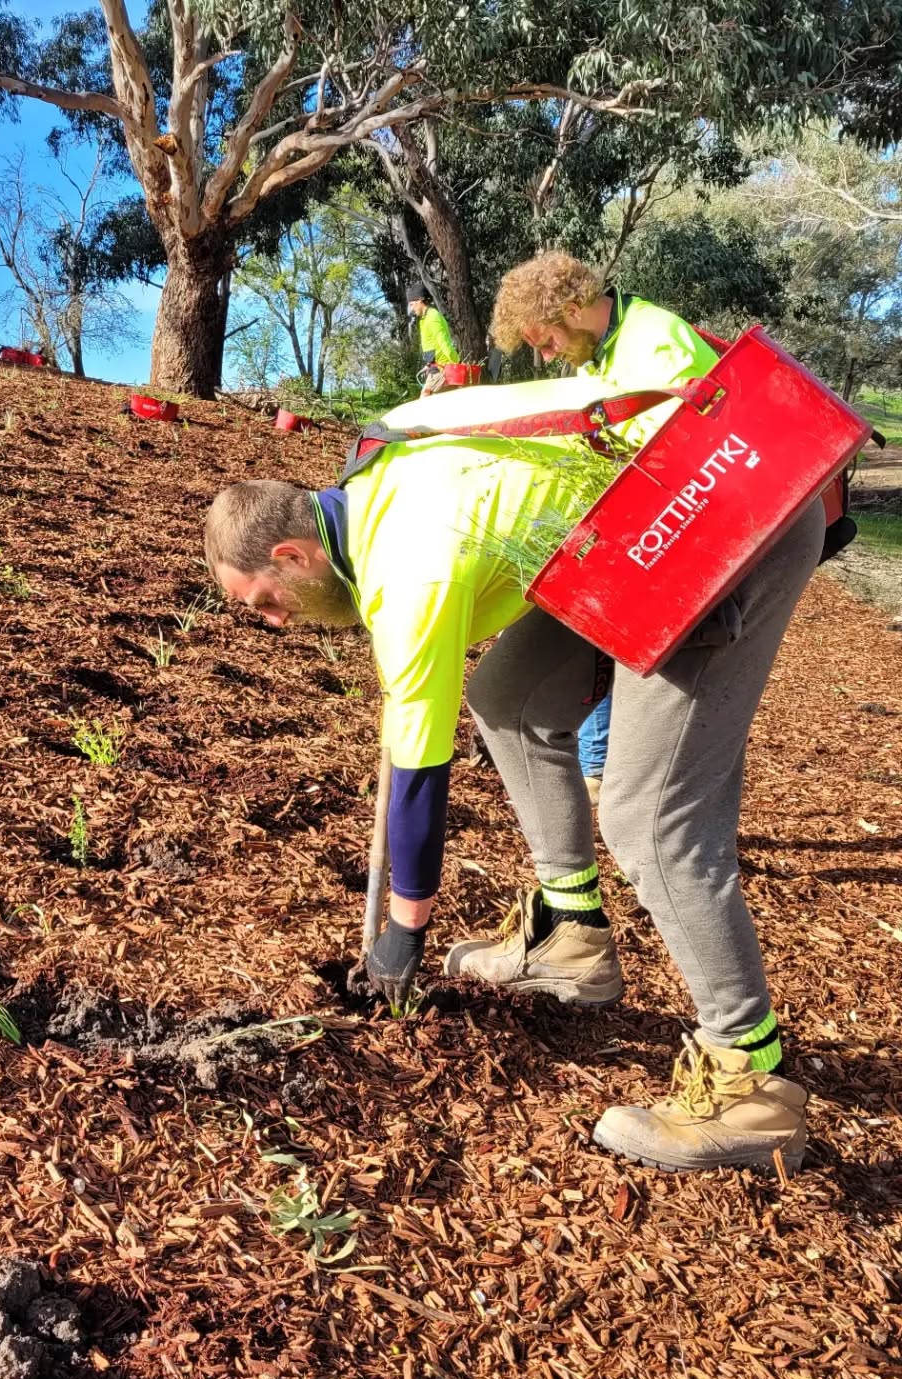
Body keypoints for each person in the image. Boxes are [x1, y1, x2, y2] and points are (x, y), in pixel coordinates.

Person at [202, 417, 818, 1175]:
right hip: (623, 536)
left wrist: (402, 939)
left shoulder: (407, 575)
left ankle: (749, 1079)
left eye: (263, 600)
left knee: (648, 817)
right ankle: (573, 935)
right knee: (511, 696)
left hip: (715, 521)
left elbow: (419, 777)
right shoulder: (373, 480)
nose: (274, 621)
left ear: (291, 555)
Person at [491, 252, 726, 803]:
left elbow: (691, 458)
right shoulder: (598, 353)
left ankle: (625, 786)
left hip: (690, 531)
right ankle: (600, 767)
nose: (546, 356)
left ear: (574, 308)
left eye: (546, 341)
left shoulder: (655, 342)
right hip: (646, 527)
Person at [406, 283, 459, 395]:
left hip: (442, 370)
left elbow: (445, 345)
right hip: (434, 369)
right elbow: (431, 345)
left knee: (423, 406)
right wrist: (428, 364)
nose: (411, 309)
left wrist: (457, 364)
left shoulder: (433, 317)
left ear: (420, 300)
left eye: (412, 304)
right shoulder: (423, 319)